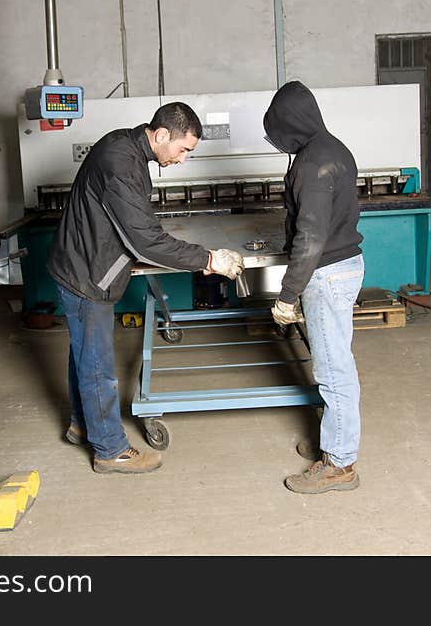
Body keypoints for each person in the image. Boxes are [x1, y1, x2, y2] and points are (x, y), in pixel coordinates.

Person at [47, 102, 244, 474]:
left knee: (84, 354)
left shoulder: (126, 148)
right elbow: (146, 240)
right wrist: (208, 260)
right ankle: (109, 449)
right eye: (183, 150)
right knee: (97, 364)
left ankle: (81, 423)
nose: (183, 159)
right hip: (86, 273)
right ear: (161, 135)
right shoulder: (121, 163)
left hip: (80, 262)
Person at [263, 81, 365, 494]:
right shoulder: (332, 147)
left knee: (332, 370)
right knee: (335, 362)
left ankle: (340, 465)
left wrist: (288, 295)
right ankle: (333, 443)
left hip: (327, 272)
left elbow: (311, 236)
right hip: (342, 267)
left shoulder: (313, 162)